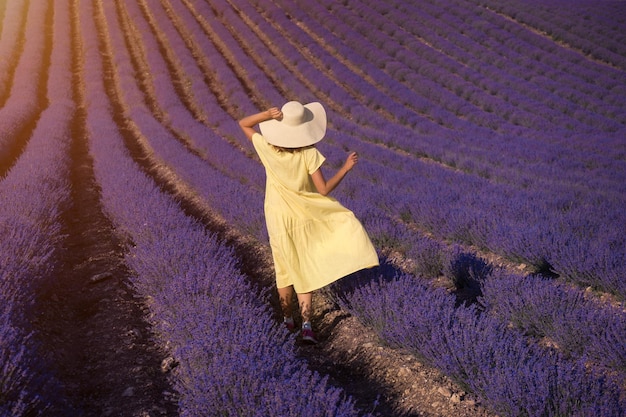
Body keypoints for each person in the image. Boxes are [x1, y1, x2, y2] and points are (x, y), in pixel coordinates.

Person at [238, 101, 379, 343]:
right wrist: (345, 168)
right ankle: (306, 326)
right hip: (304, 215)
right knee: (304, 265)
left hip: (277, 215)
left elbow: (243, 123)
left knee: (283, 267)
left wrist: (266, 115)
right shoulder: (309, 154)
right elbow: (323, 190)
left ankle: (287, 320)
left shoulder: (267, 148)